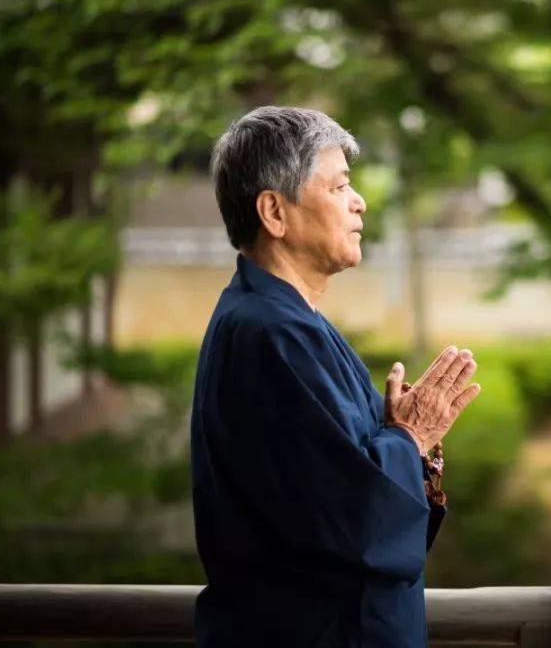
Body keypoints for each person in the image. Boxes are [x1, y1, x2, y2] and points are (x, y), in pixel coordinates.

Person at [190, 106, 481, 647]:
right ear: (274, 212)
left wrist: (403, 439)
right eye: (340, 185)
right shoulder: (271, 333)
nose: (359, 201)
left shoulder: (288, 321)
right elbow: (354, 519)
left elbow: (346, 473)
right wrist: (410, 437)